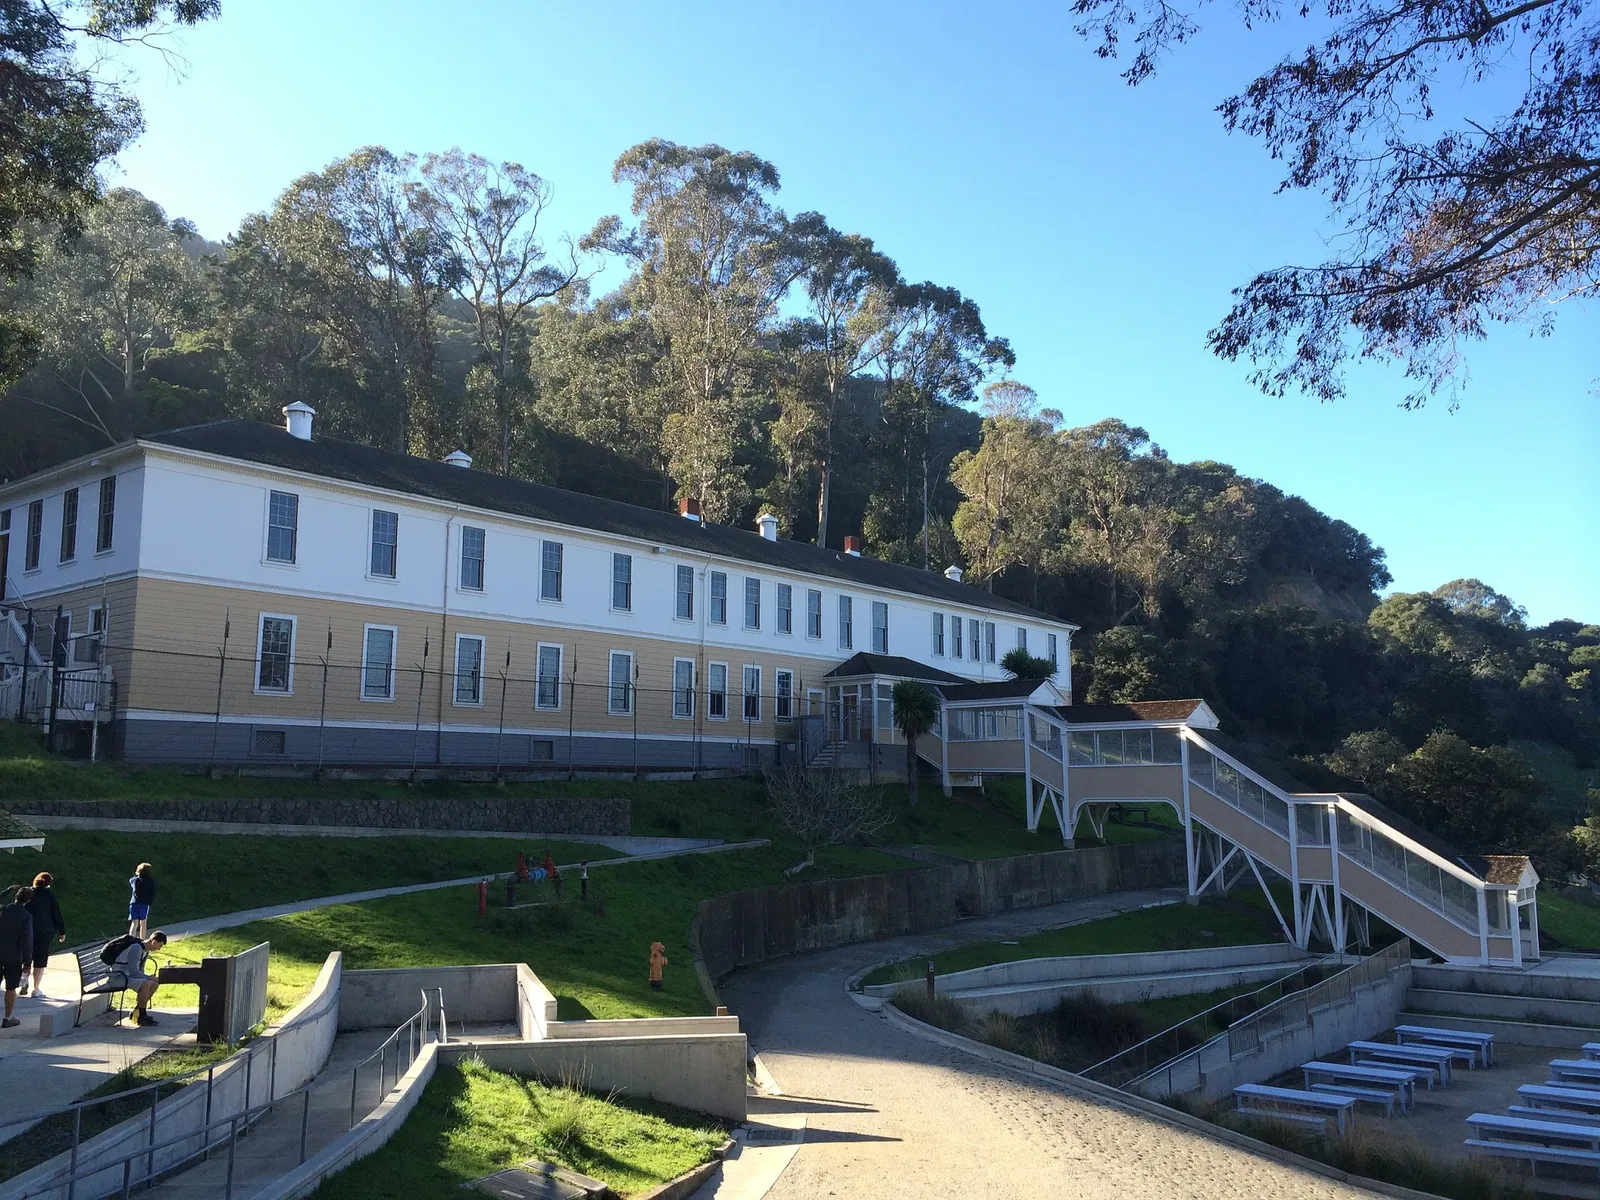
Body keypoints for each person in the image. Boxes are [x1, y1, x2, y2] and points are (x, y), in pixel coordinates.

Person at [109, 931, 167, 1027]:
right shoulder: (136, 948)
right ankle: (141, 1016)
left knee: (154, 984)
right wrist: (149, 977)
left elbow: (140, 971)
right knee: (146, 984)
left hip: (127, 976)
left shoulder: (145, 951)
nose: (159, 949)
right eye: (159, 946)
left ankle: (136, 1013)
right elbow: (134, 972)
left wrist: (150, 979)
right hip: (118, 977)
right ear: (154, 942)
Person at [22, 872, 65, 998]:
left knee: (26, 958)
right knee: (40, 961)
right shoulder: (49, 895)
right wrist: (61, 932)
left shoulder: (27, 893)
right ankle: (36, 989)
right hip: (44, 932)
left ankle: (24, 981)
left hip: (27, 930)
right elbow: (56, 913)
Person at [1, 887, 35, 1029]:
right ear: (29, 900)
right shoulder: (26, 917)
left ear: (15, 896)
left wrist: (6, 891)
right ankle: (7, 1018)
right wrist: (28, 960)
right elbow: (27, 941)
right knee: (10, 987)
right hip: (13, 956)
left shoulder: (3, 909)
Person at [128, 863, 155, 938]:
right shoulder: (150, 881)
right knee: (143, 924)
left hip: (134, 903)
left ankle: (130, 940)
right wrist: (150, 901)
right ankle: (142, 940)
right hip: (144, 904)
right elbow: (152, 892)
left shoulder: (134, 880)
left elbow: (131, 880)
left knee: (134, 923)